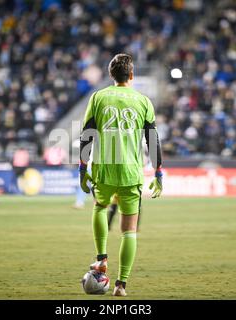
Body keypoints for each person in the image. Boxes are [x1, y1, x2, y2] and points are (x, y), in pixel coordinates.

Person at [79, 53, 163, 297]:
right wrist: (159, 172)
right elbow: (152, 139)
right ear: (132, 75)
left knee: (99, 208)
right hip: (130, 172)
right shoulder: (143, 101)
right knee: (129, 230)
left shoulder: (98, 97)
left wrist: (83, 169)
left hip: (104, 169)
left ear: (110, 75)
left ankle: (101, 258)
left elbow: (87, 134)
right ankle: (120, 285)